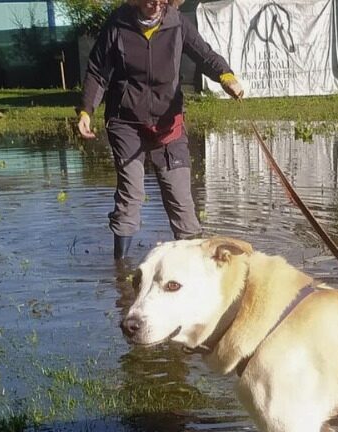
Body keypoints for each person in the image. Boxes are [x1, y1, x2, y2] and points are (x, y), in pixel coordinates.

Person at [77, 0, 244, 259]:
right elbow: (98, 72)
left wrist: (226, 77)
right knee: (131, 195)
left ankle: (194, 266)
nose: (155, 4)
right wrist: (86, 110)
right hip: (127, 123)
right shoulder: (117, 24)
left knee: (182, 202)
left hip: (168, 123)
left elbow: (205, 55)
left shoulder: (177, 23)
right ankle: (121, 270)